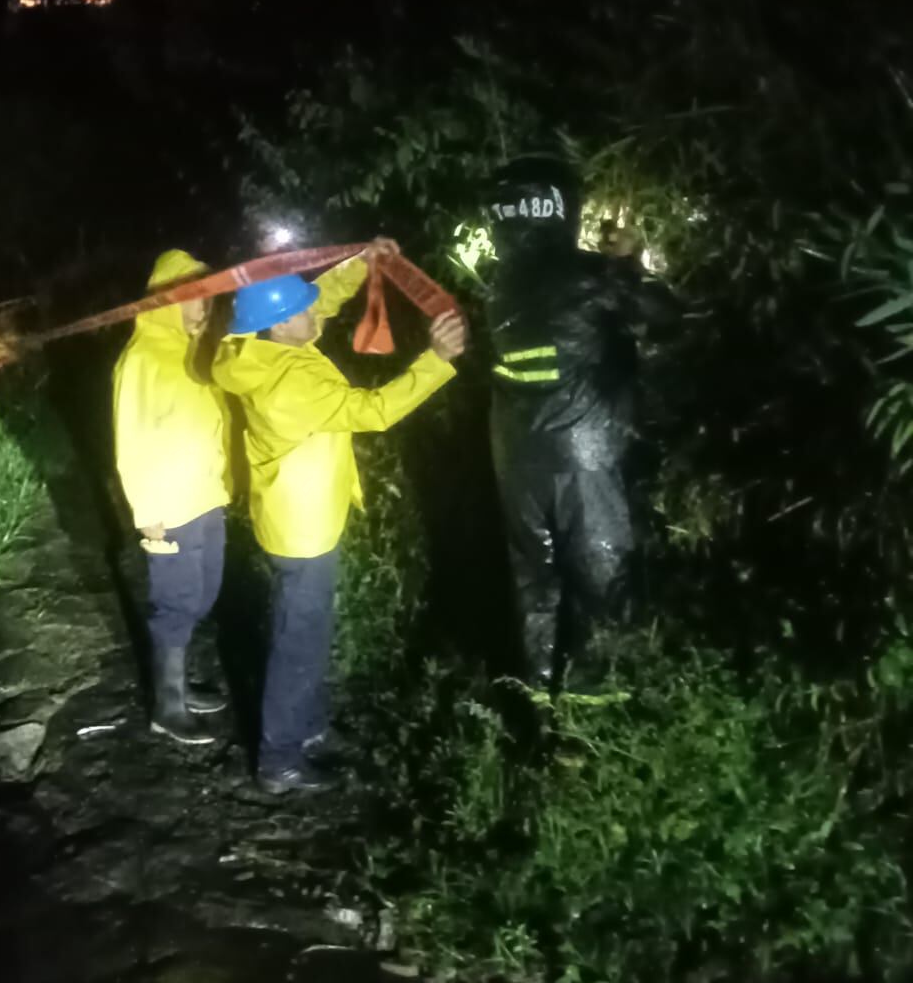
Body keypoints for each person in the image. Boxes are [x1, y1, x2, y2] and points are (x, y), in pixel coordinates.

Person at [212, 242, 467, 793]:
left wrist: (362, 264)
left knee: (309, 628)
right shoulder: (291, 382)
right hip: (302, 529)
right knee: (298, 640)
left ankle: (308, 729)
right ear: (281, 324)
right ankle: (280, 760)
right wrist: (437, 363)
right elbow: (372, 412)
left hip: (294, 515)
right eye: (303, 311)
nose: (316, 313)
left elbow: (318, 300)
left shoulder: (257, 347)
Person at [484, 155, 679, 697]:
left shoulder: (499, 284)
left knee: (535, 583)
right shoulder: (589, 275)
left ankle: (538, 698)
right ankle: (600, 706)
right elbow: (666, 315)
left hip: (515, 456)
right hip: (586, 455)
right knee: (601, 573)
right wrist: (628, 263)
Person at [113, 248, 232, 745]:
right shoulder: (141, 357)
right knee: (176, 603)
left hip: (207, 497)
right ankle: (167, 704)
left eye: (205, 298)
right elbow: (130, 439)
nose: (201, 308)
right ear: (166, 301)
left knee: (203, 594)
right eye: (190, 299)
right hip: (169, 508)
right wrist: (147, 514)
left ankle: (183, 685)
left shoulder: (198, 350)